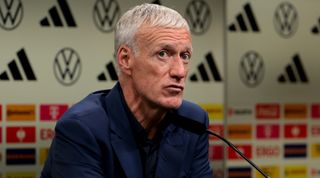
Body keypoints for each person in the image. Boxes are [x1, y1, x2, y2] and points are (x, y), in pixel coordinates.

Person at [41, 3, 213, 178]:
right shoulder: (81, 128)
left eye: (185, 56)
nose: (180, 71)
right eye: (163, 53)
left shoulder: (193, 121)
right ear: (125, 59)